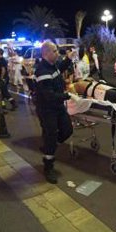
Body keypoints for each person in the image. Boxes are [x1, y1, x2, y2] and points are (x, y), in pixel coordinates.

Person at [34, 41, 77, 183]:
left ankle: (49, 145)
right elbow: (49, 96)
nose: (57, 53)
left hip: (58, 107)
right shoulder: (42, 71)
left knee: (67, 130)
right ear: (46, 53)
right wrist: (67, 95)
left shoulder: (52, 66)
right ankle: (48, 166)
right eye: (55, 51)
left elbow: (60, 67)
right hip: (47, 110)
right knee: (51, 135)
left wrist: (69, 58)